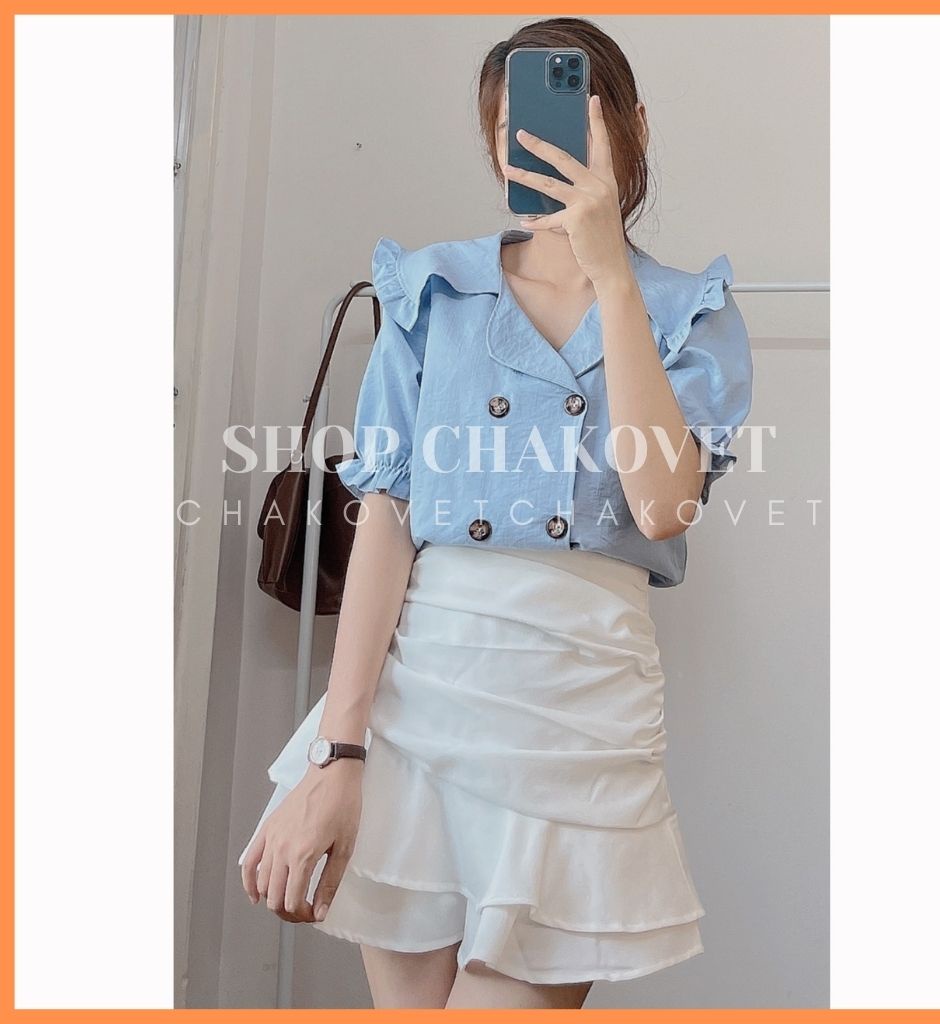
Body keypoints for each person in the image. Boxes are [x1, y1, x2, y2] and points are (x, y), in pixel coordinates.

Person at [238, 16, 753, 1010]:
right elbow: (386, 516)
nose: (546, 149)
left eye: (573, 120)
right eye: (517, 131)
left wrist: (610, 275)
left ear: (634, 124)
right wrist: (339, 752)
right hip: (423, 694)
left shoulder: (691, 309)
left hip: (579, 709)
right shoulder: (434, 290)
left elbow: (662, 503)